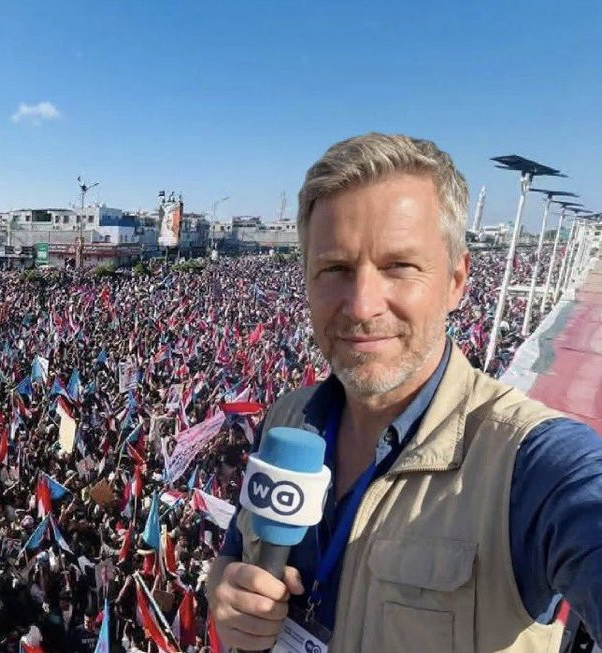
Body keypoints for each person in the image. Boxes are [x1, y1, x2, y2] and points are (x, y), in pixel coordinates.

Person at [205, 133, 602, 651]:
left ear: (456, 280)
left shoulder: (528, 465)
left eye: (399, 266)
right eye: (335, 268)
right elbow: (236, 552)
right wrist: (223, 585)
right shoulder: (287, 419)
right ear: (306, 279)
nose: (362, 304)